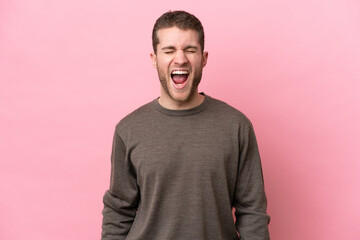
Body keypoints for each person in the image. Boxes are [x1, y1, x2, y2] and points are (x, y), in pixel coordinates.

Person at [101, 10, 270, 240]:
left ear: (204, 58)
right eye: (169, 50)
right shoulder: (128, 130)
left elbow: (253, 212)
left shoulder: (236, 126)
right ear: (154, 59)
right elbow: (118, 212)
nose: (180, 59)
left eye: (190, 50)